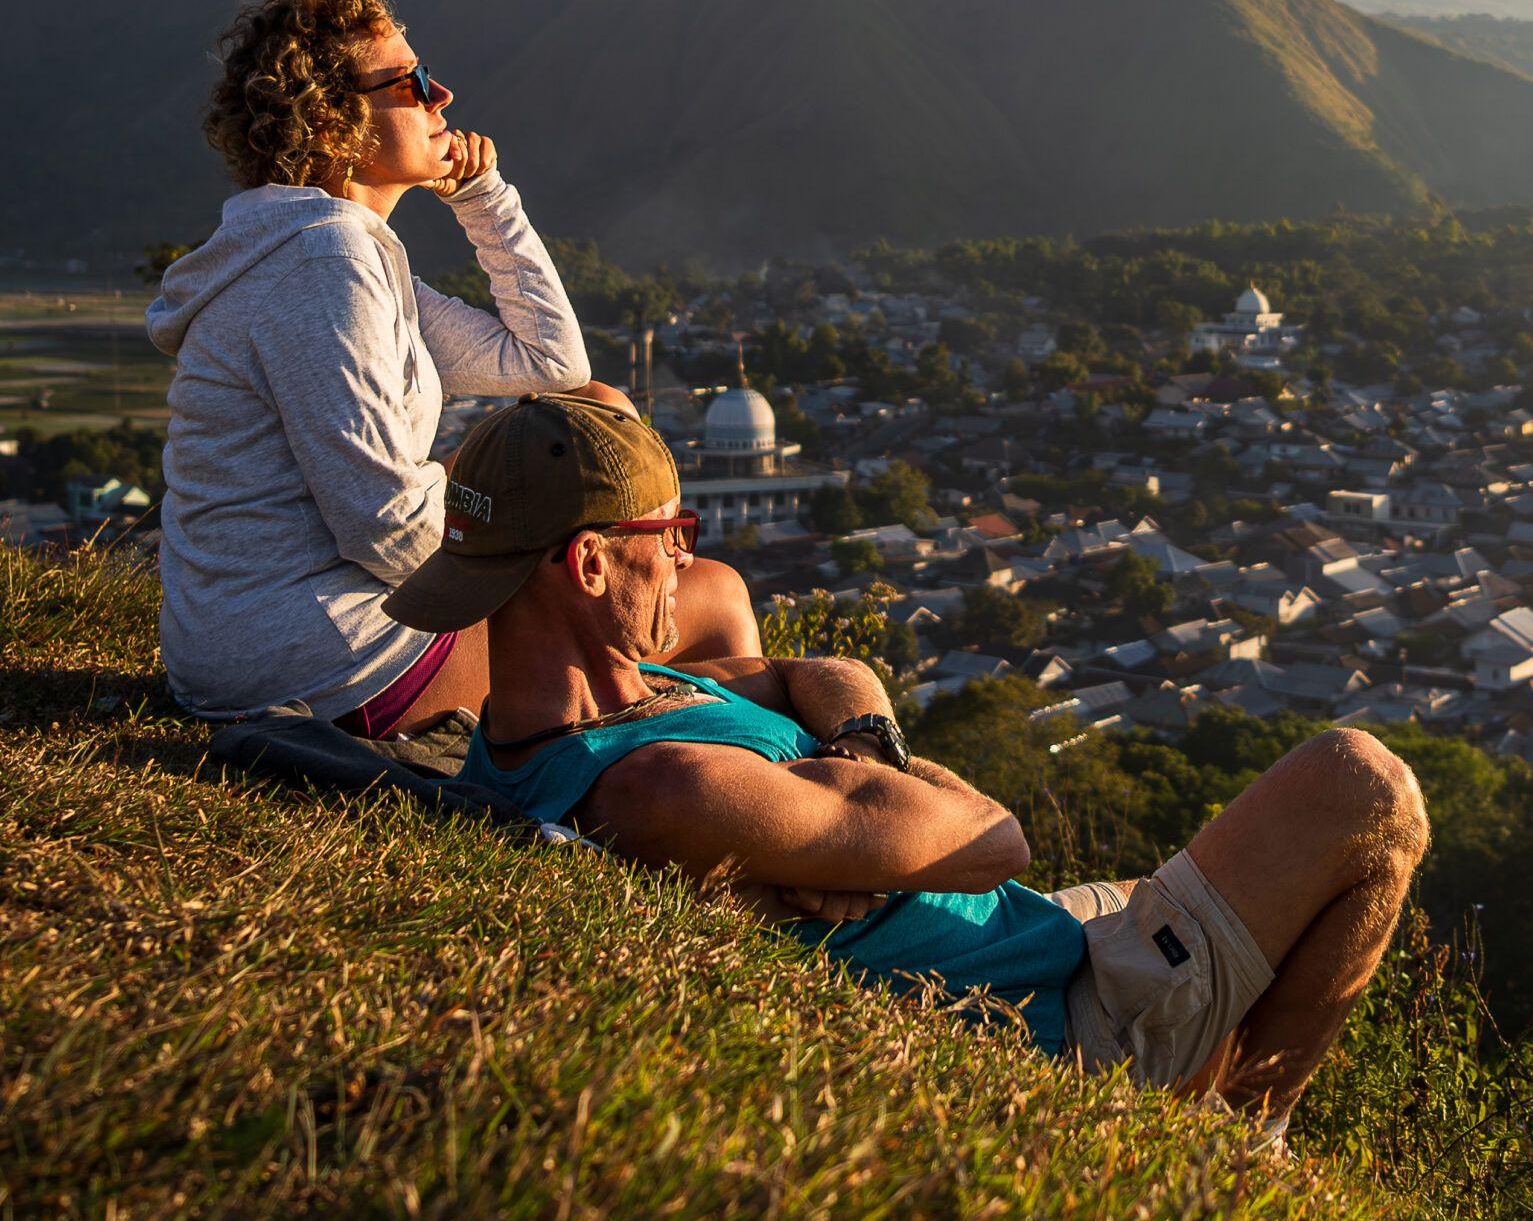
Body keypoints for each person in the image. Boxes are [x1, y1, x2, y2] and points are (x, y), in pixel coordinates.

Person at [394, 395, 1430, 1139]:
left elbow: (822, 667)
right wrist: (893, 795)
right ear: (586, 563)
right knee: (1366, 789)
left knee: (1214, 873)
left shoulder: (627, 689)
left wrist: (867, 761)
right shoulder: (663, 784)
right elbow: (994, 839)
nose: (686, 564)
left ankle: (1219, 1095)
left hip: (1054, 931)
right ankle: (1243, 1145)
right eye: (670, 536)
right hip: (1066, 1020)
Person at [147, 0, 759, 730]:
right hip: (317, 660)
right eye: (409, 82)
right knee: (715, 597)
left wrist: (485, 196)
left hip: (271, 639)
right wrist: (536, 559)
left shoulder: (341, 252)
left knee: (600, 413)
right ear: (334, 123)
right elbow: (386, 523)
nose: (442, 97)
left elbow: (553, 367)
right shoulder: (321, 264)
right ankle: (681, 787)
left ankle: (678, 752)